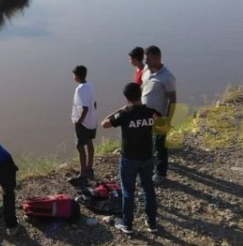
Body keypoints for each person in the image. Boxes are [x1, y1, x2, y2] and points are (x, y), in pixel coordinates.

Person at [102, 82, 160, 235]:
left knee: (128, 191)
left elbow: (104, 124)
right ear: (140, 94)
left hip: (129, 159)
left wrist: (119, 110)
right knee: (148, 189)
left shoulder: (124, 114)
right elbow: (163, 127)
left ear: (127, 98)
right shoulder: (152, 112)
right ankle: (152, 223)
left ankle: (127, 224)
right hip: (147, 158)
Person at [141, 46, 177, 185]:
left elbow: (173, 100)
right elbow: (143, 88)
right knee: (146, 143)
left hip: (160, 116)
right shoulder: (146, 70)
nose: (146, 61)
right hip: (144, 115)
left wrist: (169, 119)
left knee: (160, 145)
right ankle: (147, 169)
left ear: (157, 58)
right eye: (145, 58)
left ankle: (161, 172)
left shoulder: (167, 77)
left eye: (148, 59)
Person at [71, 65, 97, 182]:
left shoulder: (80, 89)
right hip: (92, 121)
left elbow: (85, 108)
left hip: (84, 123)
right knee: (89, 143)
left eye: (74, 75)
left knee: (80, 147)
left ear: (76, 76)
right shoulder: (90, 86)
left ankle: (83, 174)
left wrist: (78, 121)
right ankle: (89, 168)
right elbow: (94, 104)